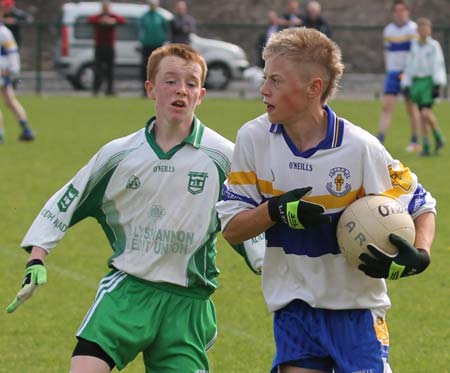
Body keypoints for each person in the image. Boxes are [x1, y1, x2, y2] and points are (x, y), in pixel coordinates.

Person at [6, 43, 262, 372]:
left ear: (201, 94)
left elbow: (248, 220)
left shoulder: (224, 157)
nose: (180, 90)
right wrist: (37, 258)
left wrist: (267, 262)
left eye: (191, 83)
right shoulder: (119, 155)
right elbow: (67, 200)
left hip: (187, 305)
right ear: (150, 89)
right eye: (170, 81)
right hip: (127, 292)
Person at [216, 27, 435, 372]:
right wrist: (274, 210)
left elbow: (422, 204)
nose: (264, 89)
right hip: (294, 308)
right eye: (265, 77)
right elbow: (231, 229)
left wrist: (420, 255)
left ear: (313, 88)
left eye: (275, 80)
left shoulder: (360, 148)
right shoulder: (253, 139)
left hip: (357, 312)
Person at [377, 0, 421, 152]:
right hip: (393, 73)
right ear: (393, 13)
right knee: (386, 106)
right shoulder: (388, 30)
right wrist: (389, 70)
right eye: (397, 10)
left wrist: (410, 72)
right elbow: (387, 53)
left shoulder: (413, 29)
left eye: (402, 10)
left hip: (408, 73)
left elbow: (415, 53)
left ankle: (415, 141)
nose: (400, 13)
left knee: (411, 108)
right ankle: (380, 141)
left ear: (407, 11)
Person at [401, 17, 446, 156]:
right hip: (417, 83)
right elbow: (409, 65)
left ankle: (438, 136)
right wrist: (406, 84)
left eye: (425, 28)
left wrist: (437, 85)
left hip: (428, 82)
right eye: (420, 29)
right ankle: (426, 145)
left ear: (429, 30)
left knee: (426, 113)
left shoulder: (433, 46)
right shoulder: (414, 45)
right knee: (422, 114)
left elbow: (438, 65)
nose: (422, 31)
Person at [0, 4, 34, 143]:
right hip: (4, 70)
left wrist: (14, 70)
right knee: (9, 100)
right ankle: (26, 130)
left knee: (10, 100)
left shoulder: (3, 31)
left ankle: (1, 134)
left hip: (2, 70)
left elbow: (12, 51)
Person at [87, 0, 125, 96]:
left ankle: (109, 90)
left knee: (110, 70)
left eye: (107, 7)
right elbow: (90, 20)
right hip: (99, 47)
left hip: (109, 47)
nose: (106, 9)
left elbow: (122, 20)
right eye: (104, 7)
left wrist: (112, 21)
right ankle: (96, 90)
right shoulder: (98, 17)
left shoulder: (112, 16)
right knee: (98, 69)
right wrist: (101, 21)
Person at [138, 0, 169, 95]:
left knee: (158, 67)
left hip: (157, 45)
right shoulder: (144, 17)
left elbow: (166, 29)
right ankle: (145, 89)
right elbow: (139, 30)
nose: (152, 6)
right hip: (147, 45)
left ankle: (157, 88)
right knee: (146, 66)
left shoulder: (161, 17)